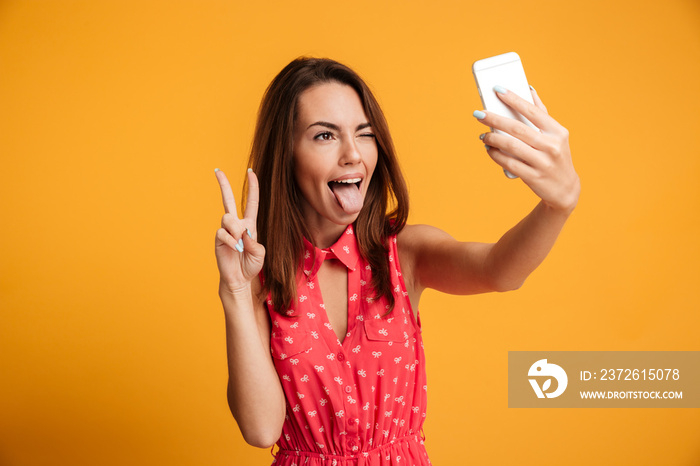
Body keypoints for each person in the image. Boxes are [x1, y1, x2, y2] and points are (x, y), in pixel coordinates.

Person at [213, 57, 579, 465]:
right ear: (287, 155)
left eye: (364, 134)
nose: (353, 154)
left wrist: (556, 206)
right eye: (324, 136)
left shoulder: (404, 252)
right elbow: (261, 429)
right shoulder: (261, 275)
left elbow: (499, 270)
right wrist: (236, 290)